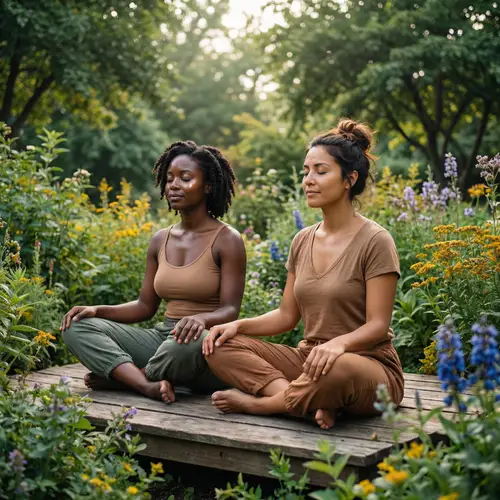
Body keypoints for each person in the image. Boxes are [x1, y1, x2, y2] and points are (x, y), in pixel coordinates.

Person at [202, 119, 404, 429]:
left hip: (366, 366)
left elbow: (378, 326)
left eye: (321, 172)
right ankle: (311, 404)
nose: (308, 180)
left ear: (349, 179)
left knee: (338, 367)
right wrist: (236, 325)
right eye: (306, 172)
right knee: (217, 345)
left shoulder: (376, 240)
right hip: (309, 362)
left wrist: (338, 345)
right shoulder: (303, 239)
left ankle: (267, 405)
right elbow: (286, 316)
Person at [61, 140, 246, 403]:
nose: (174, 185)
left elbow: (231, 310)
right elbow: (144, 307)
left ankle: (127, 378)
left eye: (185, 178)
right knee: (76, 327)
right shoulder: (161, 239)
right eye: (169, 178)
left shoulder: (228, 239)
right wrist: (96, 310)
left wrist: (201, 320)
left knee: (187, 342)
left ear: (208, 186)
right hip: (162, 338)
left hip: (203, 344)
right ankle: (146, 384)